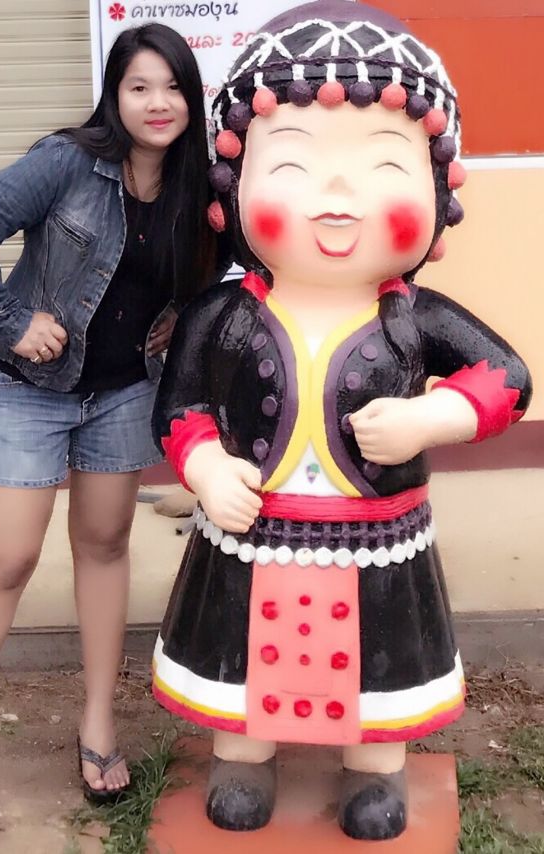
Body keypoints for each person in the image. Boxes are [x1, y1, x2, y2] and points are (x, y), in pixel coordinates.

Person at [150, 0, 532, 842]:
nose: (335, 200)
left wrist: (434, 416)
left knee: (376, 666)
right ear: (233, 185)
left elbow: (507, 377)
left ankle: (374, 770)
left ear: (435, 190)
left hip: (376, 540)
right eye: (292, 165)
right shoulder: (224, 316)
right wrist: (206, 467)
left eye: (381, 167)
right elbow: (178, 407)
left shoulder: (414, 318)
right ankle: (243, 758)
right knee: (243, 664)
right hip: (255, 534)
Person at [0, 22, 215, 836]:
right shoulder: (68, 163)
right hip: (27, 391)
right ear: (115, 94)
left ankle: (98, 722)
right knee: (6, 557)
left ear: (192, 97)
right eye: (139, 86)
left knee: (105, 544)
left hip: (122, 395)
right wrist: (10, 321)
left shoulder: (201, 187)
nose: (157, 102)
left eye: (172, 87)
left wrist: (182, 321)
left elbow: (220, 274)